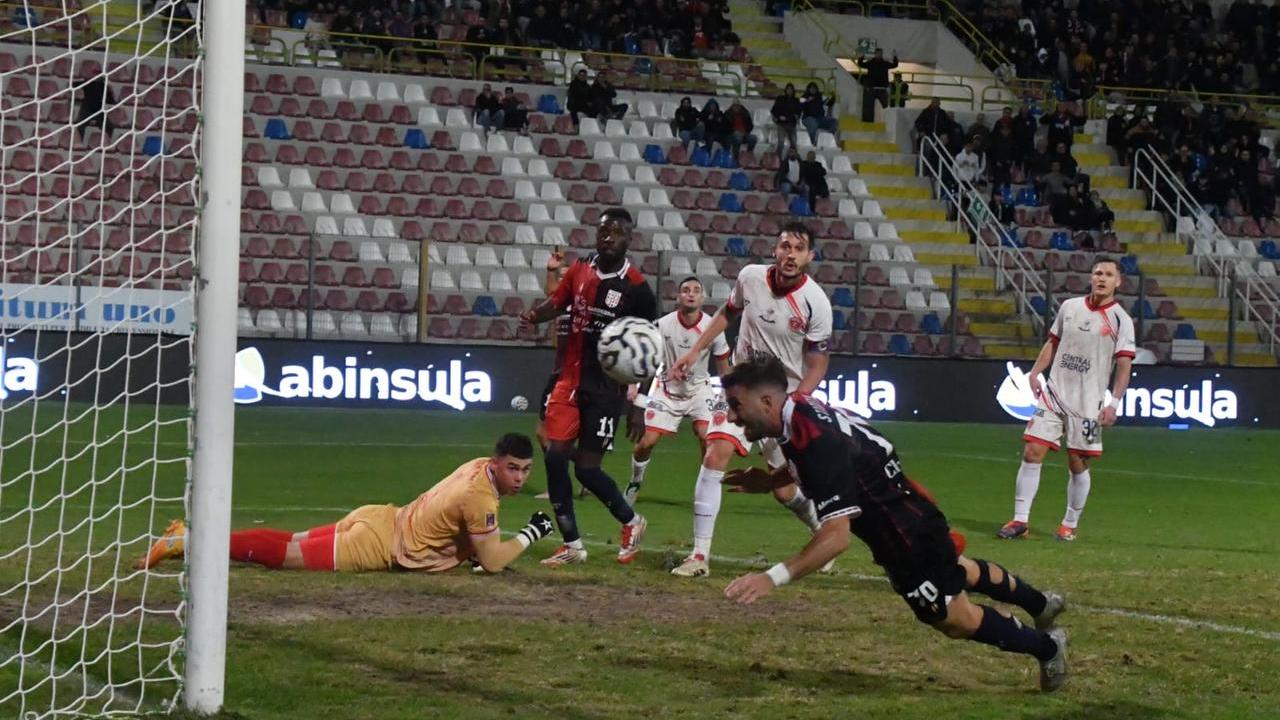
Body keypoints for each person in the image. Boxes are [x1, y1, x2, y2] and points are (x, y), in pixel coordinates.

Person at [718, 356, 1069, 693]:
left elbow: (836, 538)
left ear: (766, 400)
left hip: (904, 537)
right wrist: (772, 479)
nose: (732, 416)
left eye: (736, 405)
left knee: (952, 617)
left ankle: (1049, 648)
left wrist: (771, 577)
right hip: (910, 510)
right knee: (960, 570)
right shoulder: (800, 410)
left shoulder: (816, 440)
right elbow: (836, 459)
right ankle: (1041, 604)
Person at [666, 223, 834, 578]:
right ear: (775, 250)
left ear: (809, 257)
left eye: (798, 248)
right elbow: (727, 313)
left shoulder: (816, 302)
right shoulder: (750, 277)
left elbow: (818, 363)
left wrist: (797, 404)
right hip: (740, 392)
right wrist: (696, 351)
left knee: (785, 490)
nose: (790, 254)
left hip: (780, 404)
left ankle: (822, 533)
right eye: (784, 245)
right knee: (715, 452)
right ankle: (699, 556)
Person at [138, 434, 557, 573]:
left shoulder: (478, 467)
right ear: (497, 464)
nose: (519, 477)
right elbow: (495, 562)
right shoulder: (480, 497)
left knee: (290, 540)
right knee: (285, 555)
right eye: (513, 469)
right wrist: (531, 533)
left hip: (381, 517)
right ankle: (184, 543)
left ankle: (185, 536)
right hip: (379, 544)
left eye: (524, 470)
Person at [519, 208, 658, 566]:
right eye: (602, 230)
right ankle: (573, 545)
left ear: (629, 238)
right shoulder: (580, 268)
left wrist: (639, 404)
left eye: (615, 231)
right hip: (568, 380)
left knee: (586, 469)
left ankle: (631, 521)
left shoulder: (638, 289)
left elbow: (648, 350)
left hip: (605, 390)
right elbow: (559, 301)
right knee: (554, 456)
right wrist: (535, 316)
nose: (607, 236)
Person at [997, 257, 1135, 542]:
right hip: (1054, 394)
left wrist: (1115, 402)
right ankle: (1020, 520)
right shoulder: (1070, 307)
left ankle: (1069, 523)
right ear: (1090, 277)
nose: (1102, 278)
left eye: (1109, 274)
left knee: (1077, 463)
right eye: (1097, 272)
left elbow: (1124, 365)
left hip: (1088, 403)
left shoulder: (1121, 320)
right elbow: (1053, 342)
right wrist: (1035, 372)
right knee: (1032, 452)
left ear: (1118, 282)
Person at [625, 277, 732, 506]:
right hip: (667, 389)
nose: (691, 294)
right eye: (685, 290)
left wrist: (726, 400)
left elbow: (724, 368)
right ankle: (635, 481)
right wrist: (638, 395)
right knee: (646, 443)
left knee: (706, 438)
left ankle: (704, 491)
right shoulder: (663, 324)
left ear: (702, 298)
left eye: (696, 290)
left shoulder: (713, 327)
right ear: (678, 297)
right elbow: (649, 362)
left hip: (700, 391)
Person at [856, 47, 898, 122]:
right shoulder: (871, 63)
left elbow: (894, 65)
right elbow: (860, 64)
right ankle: (868, 123)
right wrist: (862, 56)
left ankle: (887, 122)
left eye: (880, 53)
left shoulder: (883, 63)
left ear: (881, 54)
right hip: (873, 88)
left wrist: (895, 57)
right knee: (869, 107)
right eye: (877, 53)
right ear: (875, 54)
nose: (878, 55)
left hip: (880, 89)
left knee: (885, 107)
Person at [75, 76, 115, 141]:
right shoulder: (87, 83)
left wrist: (110, 89)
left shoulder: (103, 87)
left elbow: (110, 100)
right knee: (80, 126)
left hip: (97, 110)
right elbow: (110, 100)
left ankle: (106, 142)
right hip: (87, 109)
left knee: (109, 127)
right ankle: (79, 141)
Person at [770, 83, 801, 156]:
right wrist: (778, 117)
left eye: (791, 89)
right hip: (782, 124)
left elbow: (798, 112)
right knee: (781, 143)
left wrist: (796, 117)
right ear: (785, 90)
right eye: (788, 89)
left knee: (793, 143)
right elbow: (774, 110)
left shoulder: (796, 100)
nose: (789, 91)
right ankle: (778, 159)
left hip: (791, 124)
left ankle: (793, 158)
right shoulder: (780, 99)